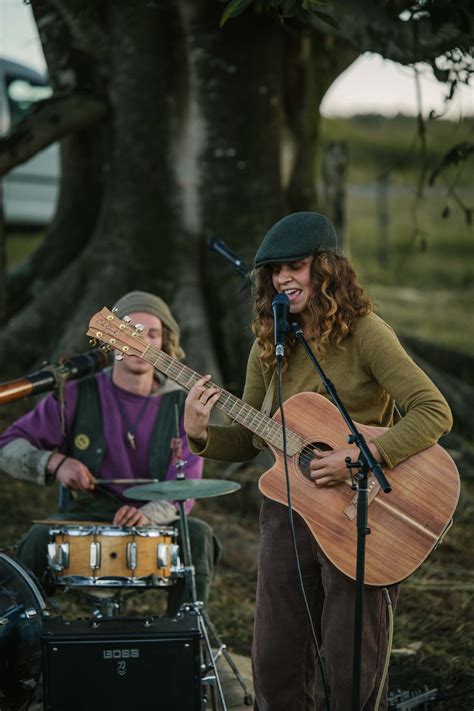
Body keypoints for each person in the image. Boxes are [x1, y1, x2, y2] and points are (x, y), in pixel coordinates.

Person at [184, 212, 453, 711]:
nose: (284, 278)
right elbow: (248, 440)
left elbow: (434, 411)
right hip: (287, 509)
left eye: (296, 266)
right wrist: (200, 436)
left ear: (326, 269)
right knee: (275, 662)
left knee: (352, 663)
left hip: (361, 514)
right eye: (274, 271)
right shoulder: (269, 343)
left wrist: (361, 454)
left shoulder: (366, 333)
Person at [0, 290, 220, 614]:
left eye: (152, 334)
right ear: (111, 338)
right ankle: (28, 645)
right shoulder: (76, 394)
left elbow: (186, 488)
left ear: (165, 343)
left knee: (198, 536)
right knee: (36, 539)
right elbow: (7, 445)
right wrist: (55, 463)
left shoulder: (180, 404)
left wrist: (147, 515)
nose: (140, 342)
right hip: (88, 515)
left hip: (153, 518)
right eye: (130, 331)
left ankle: (188, 643)